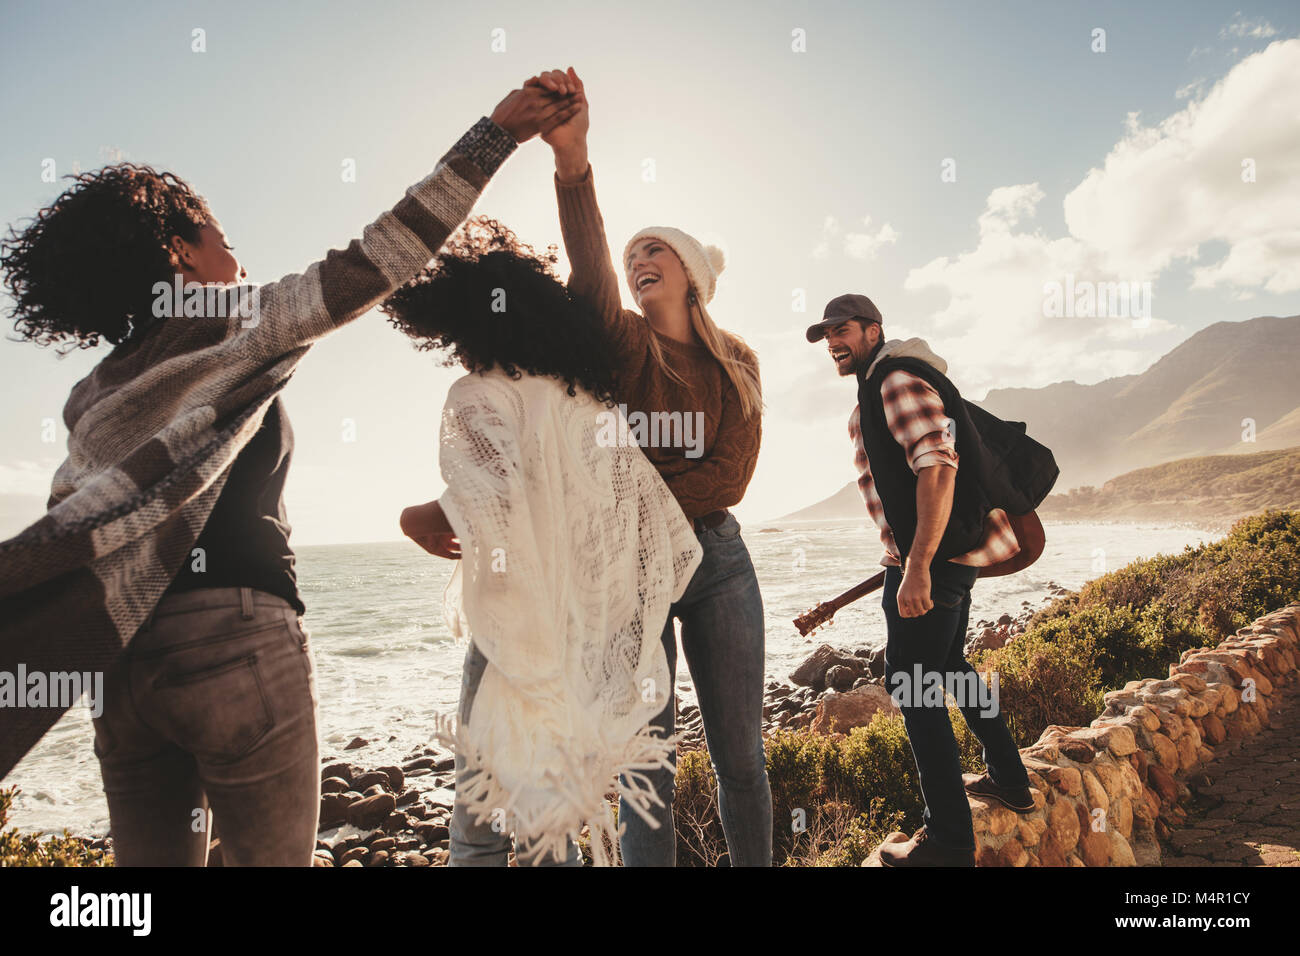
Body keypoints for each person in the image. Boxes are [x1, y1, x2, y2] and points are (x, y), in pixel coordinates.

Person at [0, 83, 582, 865]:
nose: (237, 258)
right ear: (180, 252)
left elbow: (83, 530)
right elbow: (385, 253)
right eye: (221, 238)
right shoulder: (234, 328)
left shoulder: (91, 396)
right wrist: (496, 135)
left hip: (125, 673)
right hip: (235, 647)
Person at [387, 217, 702, 866]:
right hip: (575, 640)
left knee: (479, 833)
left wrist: (417, 516)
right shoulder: (583, 402)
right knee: (549, 823)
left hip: (511, 643)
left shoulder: (479, 394)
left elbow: (490, 502)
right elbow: (641, 527)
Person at [528, 67, 771, 867]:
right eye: (633, 253)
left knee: (741, 758)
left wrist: (633, 493)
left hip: (718, 562)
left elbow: (730, 477)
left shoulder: (738, 361)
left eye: (653, 248)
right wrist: (573, 162)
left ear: (689, 270)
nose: (637, 258)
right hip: (630, 569)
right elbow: (590, 262)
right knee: (647, 768)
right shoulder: (625, 341)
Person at [808, 293, 1037, 867]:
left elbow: (937, 466)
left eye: (844, 329)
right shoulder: (883, 385)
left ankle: (949, 842)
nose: (834, 341)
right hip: (944, 559)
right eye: (827, 334)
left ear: (872, 329)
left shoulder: (893, 380)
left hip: (928, 564)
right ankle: (1010, 779)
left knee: (911, 688)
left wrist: (915, 567)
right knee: (951, 667)